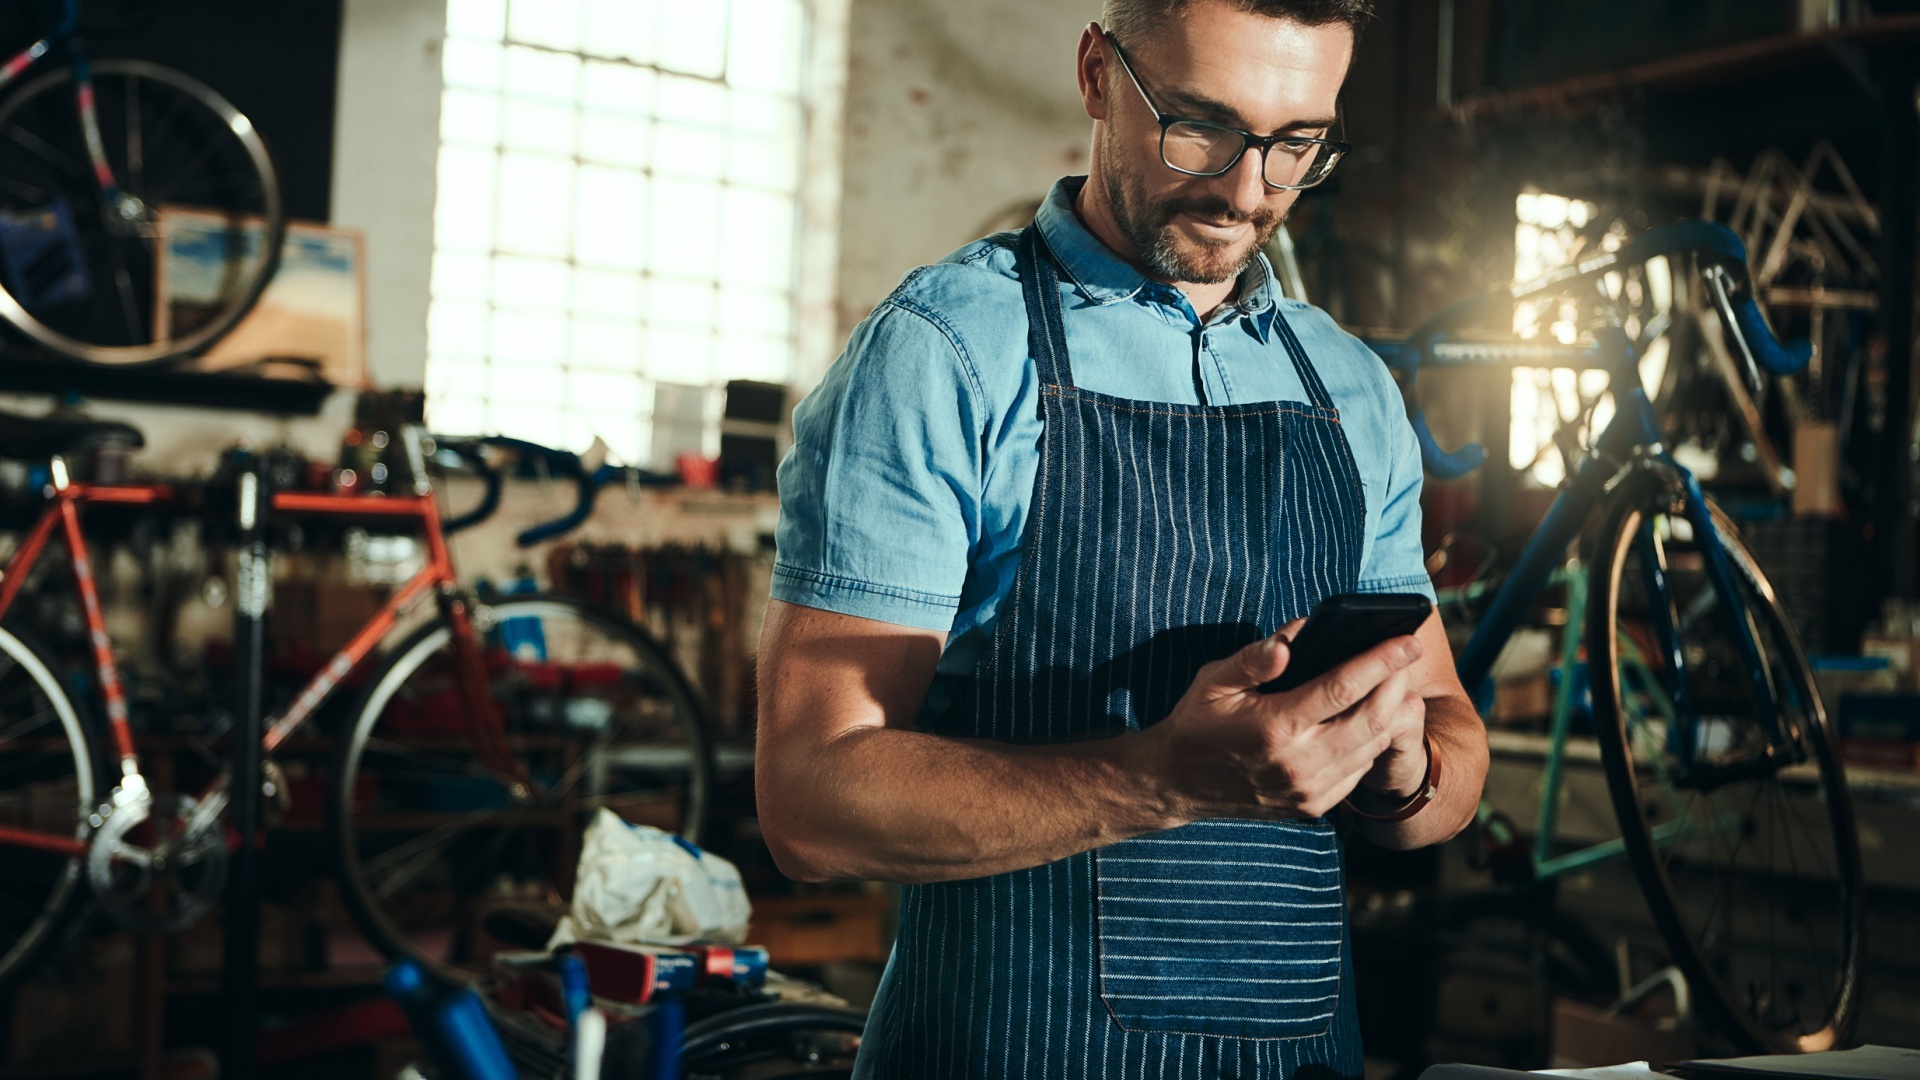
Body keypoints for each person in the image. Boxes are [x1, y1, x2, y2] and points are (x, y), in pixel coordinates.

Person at [756, 0, 1488, 1075]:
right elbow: (811, 802)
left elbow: (1452, 755)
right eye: (1201, 126)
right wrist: (1169, 780)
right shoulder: (947, 354)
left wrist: (1400, 766)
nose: (1246, 191)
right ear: (1099, 74)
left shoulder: (1349, 390)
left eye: (1296, 147)